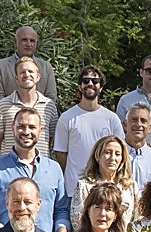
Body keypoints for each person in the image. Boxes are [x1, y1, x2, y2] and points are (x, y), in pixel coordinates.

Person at [0, 107, 71, 232]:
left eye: (32, 127)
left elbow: (61, 209)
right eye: (21, 126)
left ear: (40, 131)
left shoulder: (54, 169)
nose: (26, 132)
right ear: (13, 128)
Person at [53, 65, 125, 194]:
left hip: (104, 190)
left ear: (101, 87)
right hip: (74, 189)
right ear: (80, 86)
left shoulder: (112, 119)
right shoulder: (66, 118)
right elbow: (61, 153)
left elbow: (121, 153)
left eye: (95, 81)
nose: (90, 84)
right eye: (85, 81)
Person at [0, 56, 59, 158]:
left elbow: (50, 138)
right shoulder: (3, 105)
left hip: (40, 167)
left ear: (38, 77)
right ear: (16, 78)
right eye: (22, 72)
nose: (27, 75)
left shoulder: (49, 106)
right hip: (9, 167)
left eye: (30, 71)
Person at [69, 135, 138, 232]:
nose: (112, 158)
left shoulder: (130, 187)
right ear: (97, 156)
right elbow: (77, 221)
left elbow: (136, 219)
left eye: (117, 154)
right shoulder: (84, 186)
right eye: (107, 152)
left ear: (122, 159)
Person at [0, 25, 58, 104]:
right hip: (9, 114)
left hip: (40, 115)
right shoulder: (0, 66)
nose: (29, 44)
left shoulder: (46, 67)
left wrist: (32, 114)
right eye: (24, 40)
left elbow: (51, 98)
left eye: (32, 41)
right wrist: (19, 113)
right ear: (15, 41)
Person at [122, 101, 151, 191]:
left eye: (143, 121)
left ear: (150, 128)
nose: (138, 124)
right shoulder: (114, 156)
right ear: (125, 124)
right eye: (134, 120)